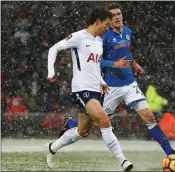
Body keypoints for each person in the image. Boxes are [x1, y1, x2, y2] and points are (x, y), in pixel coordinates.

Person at [59, 3, 175, 159]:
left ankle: (170, 152)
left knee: (149, 117)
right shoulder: (103, 37)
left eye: (119, 14)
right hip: (111, 87)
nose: (117, 17)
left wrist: (133, 63)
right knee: (95, 123)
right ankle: (71, 124)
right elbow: (95, 61)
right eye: (113, 15)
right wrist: (114, 64)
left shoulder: (128, 31)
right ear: (108, 19)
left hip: (130, 84)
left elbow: (125, 53)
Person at [45, 7, 133, 172]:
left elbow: (94, 65)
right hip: (81, 88)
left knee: (82, 131)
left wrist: (101, 81)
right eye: (106, 24)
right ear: (98, 21)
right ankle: (123, 161)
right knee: (105, 121)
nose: (107, 28)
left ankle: (52, 148)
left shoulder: (99, 41)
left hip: (97, 90)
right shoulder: (78, 37)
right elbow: (53, 49)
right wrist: (51, 72)